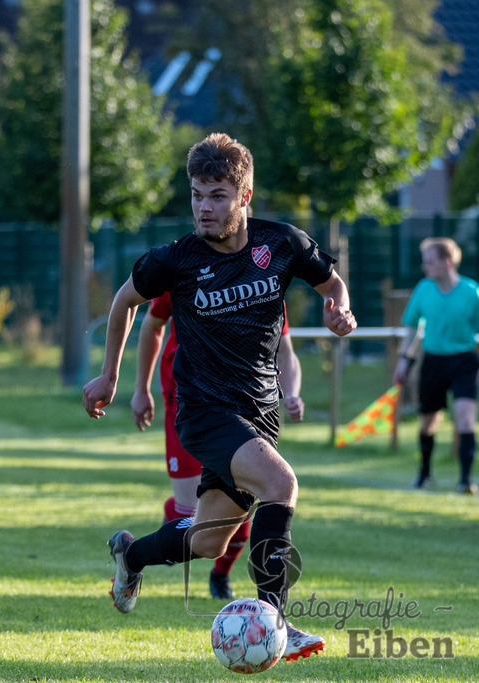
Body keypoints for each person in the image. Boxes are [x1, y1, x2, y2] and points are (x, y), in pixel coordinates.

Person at [83, 132, 356, 663]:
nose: (203, 208)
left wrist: (338, 310)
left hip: (261, 413)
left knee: (209, 540)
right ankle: (276, 618)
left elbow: (333, 285)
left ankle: (131, 556)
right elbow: (124, 302)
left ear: (244, 196)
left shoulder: (282, 243)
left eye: (217, 196)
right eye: (196, 195)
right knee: (281, 485)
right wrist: (110, 377)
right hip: (204, 412)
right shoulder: (176, 260)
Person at [131, 292, 304, 601]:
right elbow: (147, 319)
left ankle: (225, 580)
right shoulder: (185, 270)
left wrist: (292, 393)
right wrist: (141, 389)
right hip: (189, 403)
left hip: (246, 408)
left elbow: (285, 349)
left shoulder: (266, 280)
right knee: (194, 517)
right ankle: (142, 547)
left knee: (245, 508)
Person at [393, 237, 479, 494]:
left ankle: (465, 481)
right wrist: (404, 360)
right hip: (432, 361)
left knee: (465, 418)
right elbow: (411, 326)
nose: (424, 267)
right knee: (428, 421)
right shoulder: (424, 289)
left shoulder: (472, 292)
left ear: (447, 262)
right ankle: (425, 473)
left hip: (463, 361)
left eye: (429, 262)